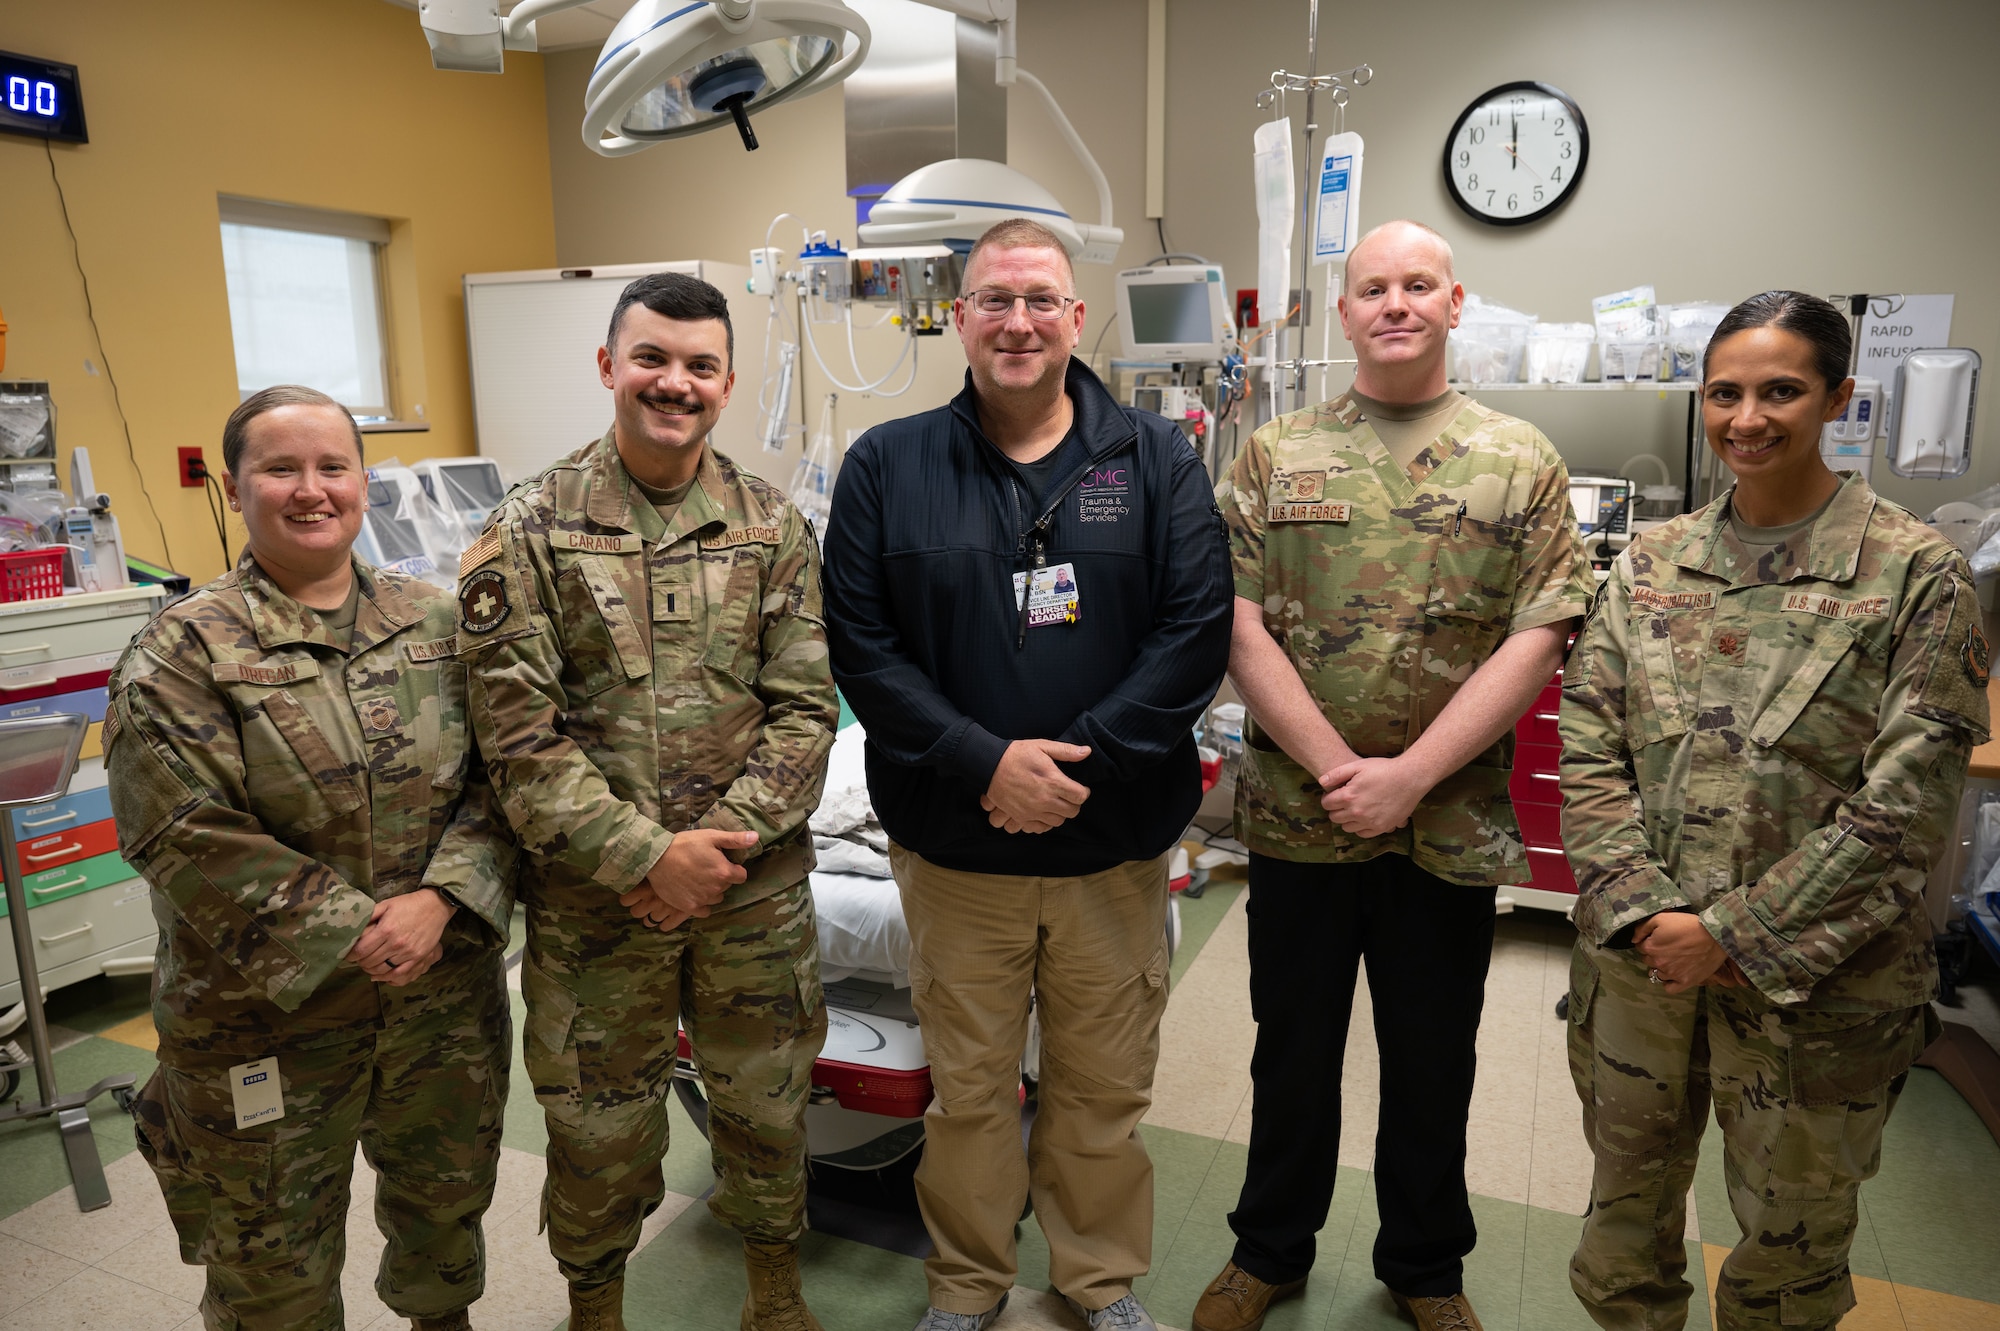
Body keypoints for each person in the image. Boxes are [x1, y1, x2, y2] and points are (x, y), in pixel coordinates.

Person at [822, 217, 1232, 1331]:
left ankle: (1097, 1280)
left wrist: (1072, 768)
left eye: (1040, 299)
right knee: (966, 1090)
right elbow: (860, 643)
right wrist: (981, 763)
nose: (1017, 321)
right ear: (957, 317)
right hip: (958, 847)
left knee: (1101, 1088)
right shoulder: (887, 464)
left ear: (1075, 317)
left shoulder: (1154, 460)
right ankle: (965, 1287)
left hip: (1111, 842)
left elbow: (1193, 634)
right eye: (994, 300)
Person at [1559, 290, 1988, 1331]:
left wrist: (1728, 934)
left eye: (1779, 391)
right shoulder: (1651, 565)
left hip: (1817, 987)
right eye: (1723, 393)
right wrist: (1651, 916)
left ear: (1839, 396)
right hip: (1640, 966)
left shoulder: (1911, 575)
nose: (1745, 417)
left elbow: (1904, 806)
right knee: (1622, 1226)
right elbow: (1587, 744)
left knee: (1785, 1255)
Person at [1196, 219, 1594, 1331]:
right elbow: (1230, 618)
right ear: (1344, 310)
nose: (1395, 303)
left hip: (1447, 827)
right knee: (1291, 1051)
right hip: (1299, 819)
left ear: (1454, 302)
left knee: (1431, 1059)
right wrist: (1338, 769)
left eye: (1418, 284)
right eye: (1372, 286)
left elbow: (1540, 630)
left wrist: (1409, 775)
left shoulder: (1516, 457)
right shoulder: (1278, 453)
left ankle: (1423, 1265)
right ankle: (1265, 1248)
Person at [455, 271, 837, 1331]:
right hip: (594, 904)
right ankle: (596, 1305)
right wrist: (643, 858)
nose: (675, 383)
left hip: (748, 896)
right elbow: (517, 740)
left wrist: (713, 854)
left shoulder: (771, 525)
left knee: (766, 1102)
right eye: (652, 359)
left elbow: (807, 711)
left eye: (700, 365)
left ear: (725, 381)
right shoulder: (525, 528)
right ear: (608, 367)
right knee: (593, 1122)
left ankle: (774, 1286)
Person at [106, 386, 516, 1331]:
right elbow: (183, 831)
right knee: (270, 1264)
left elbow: (505, 782)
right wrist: (355, 928)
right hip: (263, 1024)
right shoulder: (181, 651)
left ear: (362, 480)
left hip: (439, 1002)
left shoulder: (441, 623)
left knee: (444, 1214)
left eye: (332, 466)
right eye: (280, 468)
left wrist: (441, 901)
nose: (311, 489)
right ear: (234, 484)